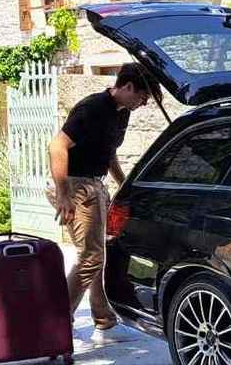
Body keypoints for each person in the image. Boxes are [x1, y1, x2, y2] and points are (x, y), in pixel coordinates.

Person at [47, 63, 159, 344]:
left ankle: (104, 323)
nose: (144, 104)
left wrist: (124, 185)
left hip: (94, 184)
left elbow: (108, 153)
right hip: (76, 185)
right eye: (143, 97)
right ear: (128, 87)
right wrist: (63, 194)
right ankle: (57, 325)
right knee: (91, 256)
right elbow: (57, 146)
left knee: (97, 254)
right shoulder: (93, 107)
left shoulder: (122, 113)